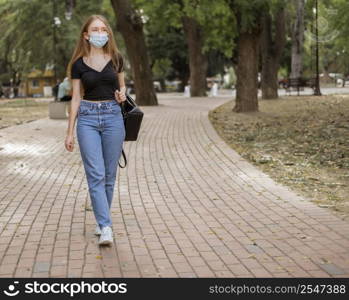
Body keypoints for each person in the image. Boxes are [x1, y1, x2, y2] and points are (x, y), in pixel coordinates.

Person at [64, 14, 127, 246]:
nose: (100, 33)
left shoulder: (117, 59)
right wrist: (69, 132)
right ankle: (106, 226)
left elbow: (122, 87)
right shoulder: (78, 64)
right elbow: (76, 98)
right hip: (88, 119)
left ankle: (102, 221)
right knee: (96, 175)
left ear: (108, 33)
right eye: (95, 29)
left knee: (109, 176)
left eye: (104, 29)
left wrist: (122, 95)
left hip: (113, 117)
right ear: (86, 35)